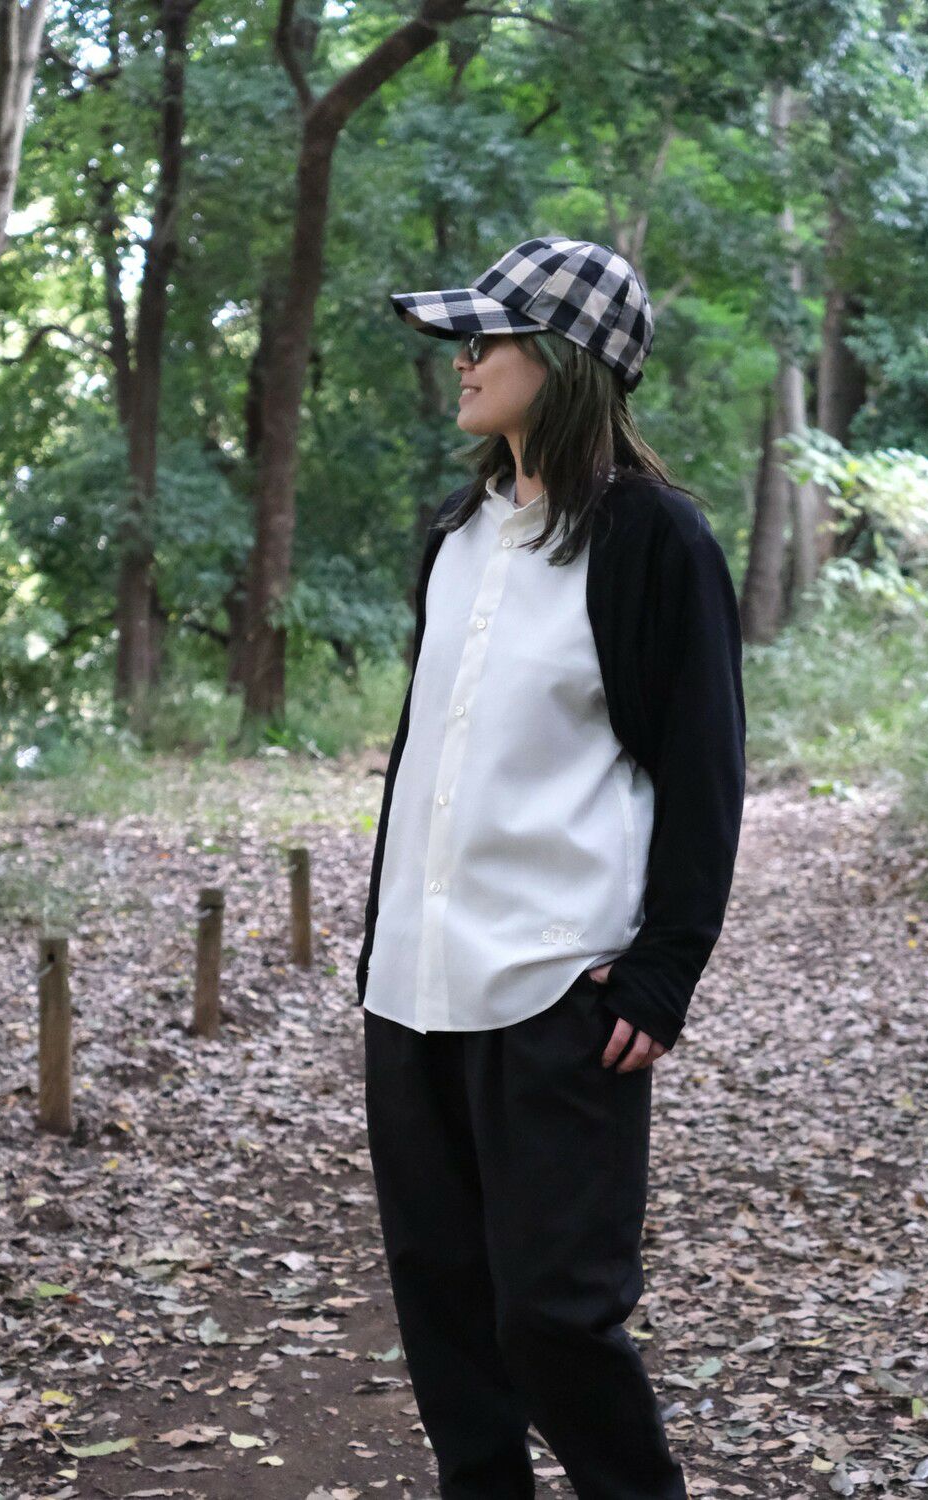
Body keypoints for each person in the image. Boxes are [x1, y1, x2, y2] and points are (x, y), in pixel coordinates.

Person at [355, 235, 746, 1499]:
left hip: (557, 988)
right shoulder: (456, 533)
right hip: (414, 987)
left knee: (555, 1316)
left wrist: (664, 973)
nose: (463, 361)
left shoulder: (654, 542)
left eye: (489, 339)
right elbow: (430, 756)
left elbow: (704, 773)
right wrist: (377, 947)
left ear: (565, 360)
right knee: (443, 1310)